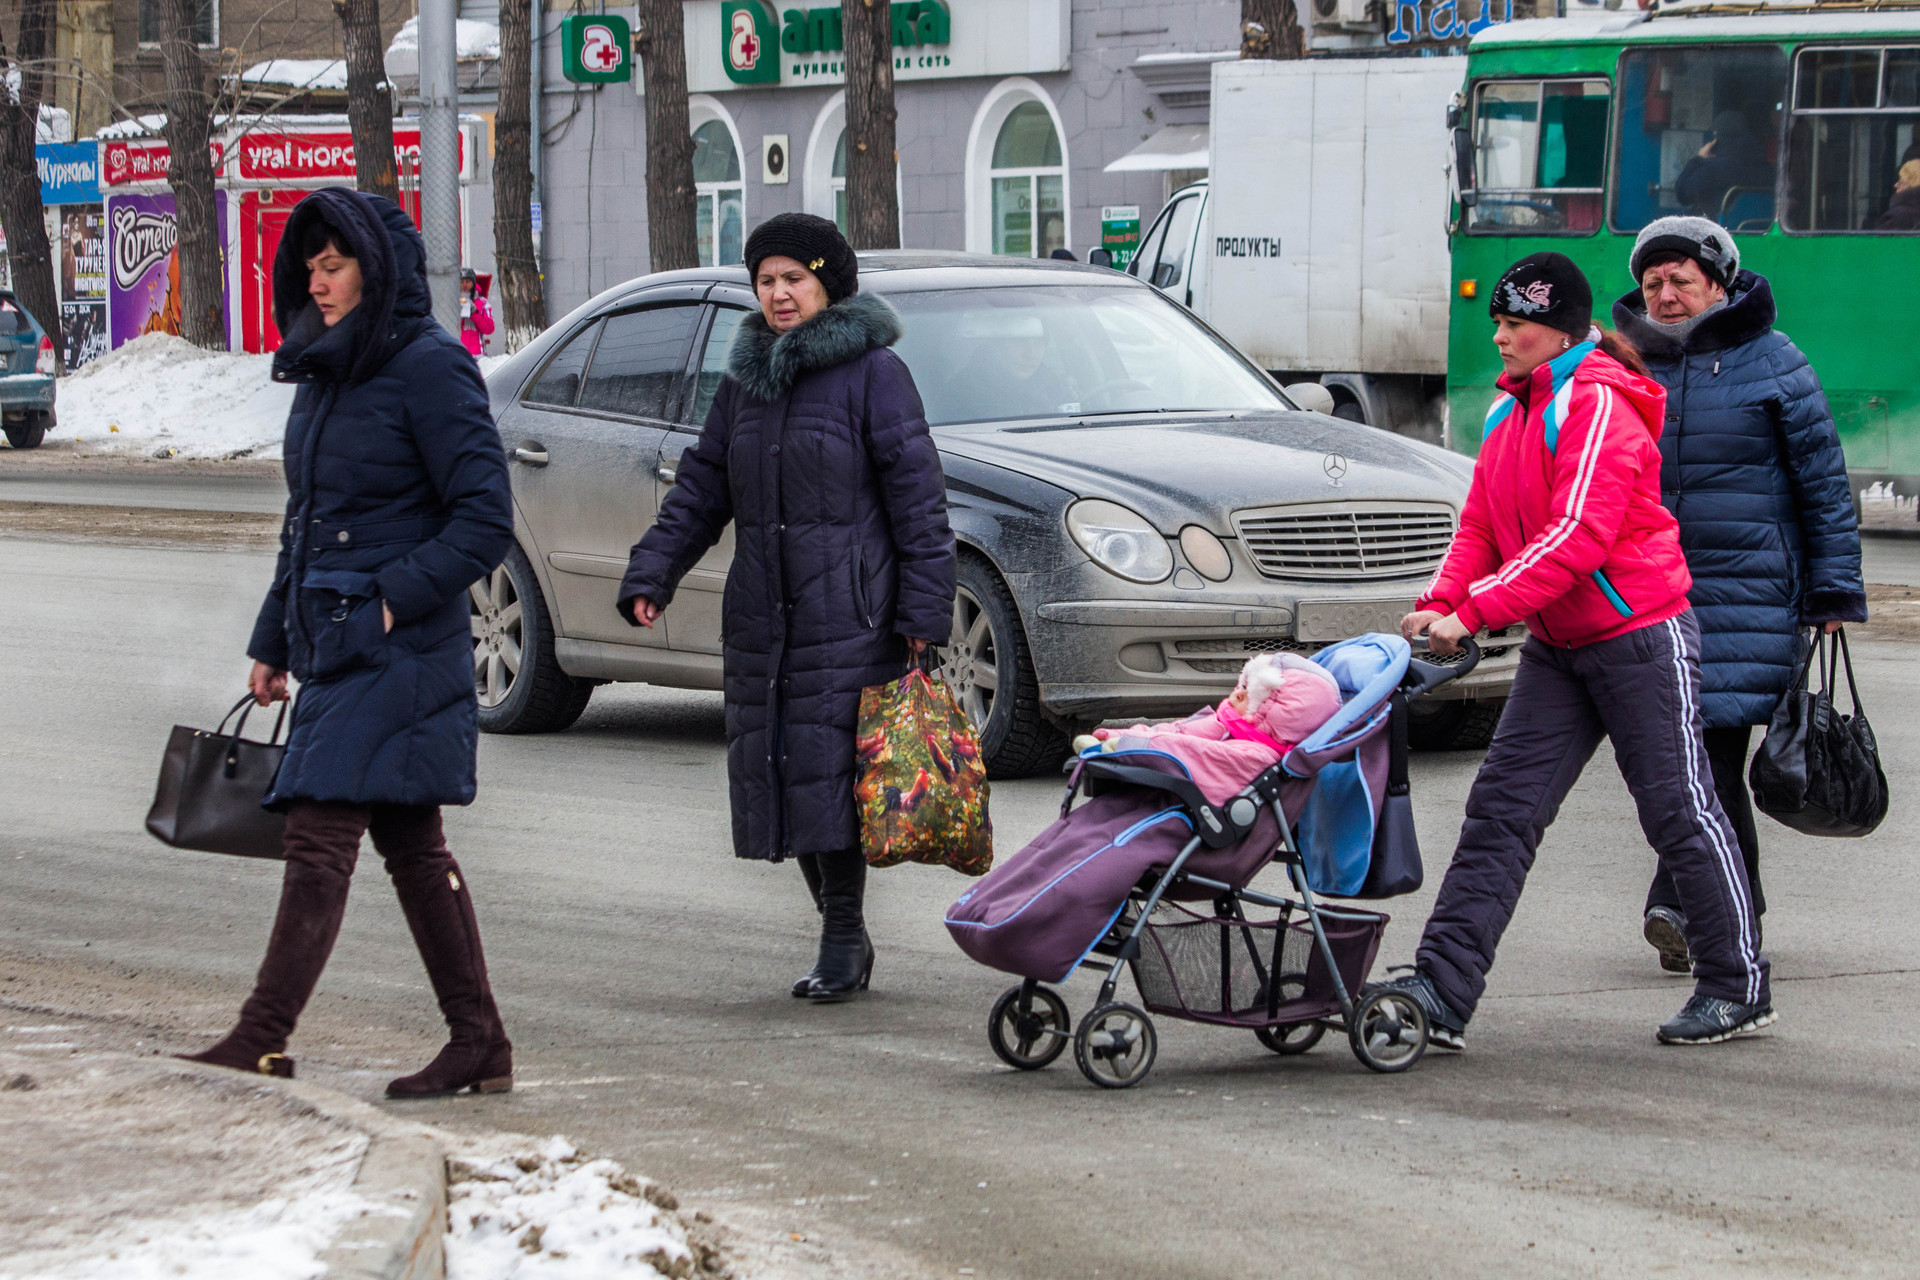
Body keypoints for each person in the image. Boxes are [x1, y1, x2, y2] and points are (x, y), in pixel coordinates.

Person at [1374, 251, 1773, 1048]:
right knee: (1500, 812)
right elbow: (1482, 527)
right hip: (1560, 646)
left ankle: (1738, 985)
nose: (1499, 337)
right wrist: (1440, 604)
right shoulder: (1509, 413)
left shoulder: (1598, 406)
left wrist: (1476, 613)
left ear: (1557, 332)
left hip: (1639, 639)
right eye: (1496, 322)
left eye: (1513, 324)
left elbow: (1577, 538)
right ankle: (1443, 991)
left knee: (1679, 811)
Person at [179, 188, 517, 1097]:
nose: (318, 284)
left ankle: (263, 1033)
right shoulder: (331, 370)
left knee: (319, 830)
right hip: (335, 640)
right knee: (412, 844)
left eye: (335, 267)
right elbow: (309, 522)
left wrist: (387, 608)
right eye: (311, 269)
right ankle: (479, 1042)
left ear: (377, 266)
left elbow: (485, 518)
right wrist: (272, 637)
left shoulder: (431, 367)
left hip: (396, 648)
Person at [618, 212, 955, 1003]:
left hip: (852, 614)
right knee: (789, 768)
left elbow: (919, 504)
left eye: (793, 279)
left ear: (826, 284)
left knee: (830, 776)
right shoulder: (745, 382)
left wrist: (922, 617)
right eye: (766, 281)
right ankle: (842, 931)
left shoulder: (874, 375)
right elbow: (703, 488)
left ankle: (843, 936)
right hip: (766, 615)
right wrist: (652, 573)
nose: (778, 294)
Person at [1612, 217, 1865, 971]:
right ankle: (1726, 907)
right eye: (1653, 281)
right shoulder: (1622, 366)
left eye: (1681, 278)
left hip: (1748, 596)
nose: (1665, 293)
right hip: (1652, 595)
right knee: (1688, 755)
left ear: (1718, 283)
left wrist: (1833, 593)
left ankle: (1685, 904)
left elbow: (1824, 486)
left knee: (1707, 751)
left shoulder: (1775, 363)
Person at [1674, 110, 1773, 221]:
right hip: (1758, 228)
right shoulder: (1767, 171)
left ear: (1716, 140)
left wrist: (1698, 159)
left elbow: (1682, 195)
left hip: (1714, 231)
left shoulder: (1711, 169)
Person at [459, 268, 495, 357]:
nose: (464, 285)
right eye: (461, 282)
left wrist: (474, 313)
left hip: (478, 355)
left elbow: (489, 329)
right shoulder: (452, 301)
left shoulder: (482, 303)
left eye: (467, 281)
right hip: (457, 353)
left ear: (473, 282)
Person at [1876, 159, 1920, 231]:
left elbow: (1876, 241)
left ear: (1912, 184)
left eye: (1900, 181)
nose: (1895, 185)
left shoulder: (1899, 216)